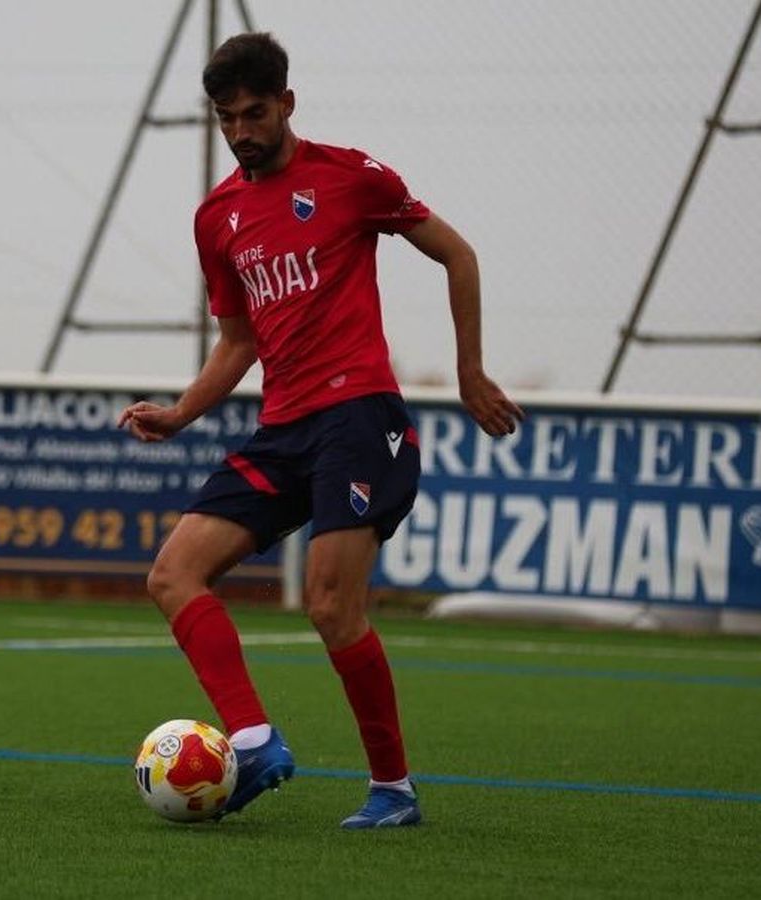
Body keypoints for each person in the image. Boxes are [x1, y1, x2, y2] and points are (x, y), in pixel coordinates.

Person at [119, 33, 523, 829]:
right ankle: (256, 740)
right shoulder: (217, 218)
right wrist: (178, 412)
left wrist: (470, 370)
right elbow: (239, 342)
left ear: (288, 104)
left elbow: (459, 256)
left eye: (255, 114)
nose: (242, 132)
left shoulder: (351, 178)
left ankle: (394, 790)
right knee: (172, 575)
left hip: (359, 416)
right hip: (283, 427)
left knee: (332, 605)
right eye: (226, 118)